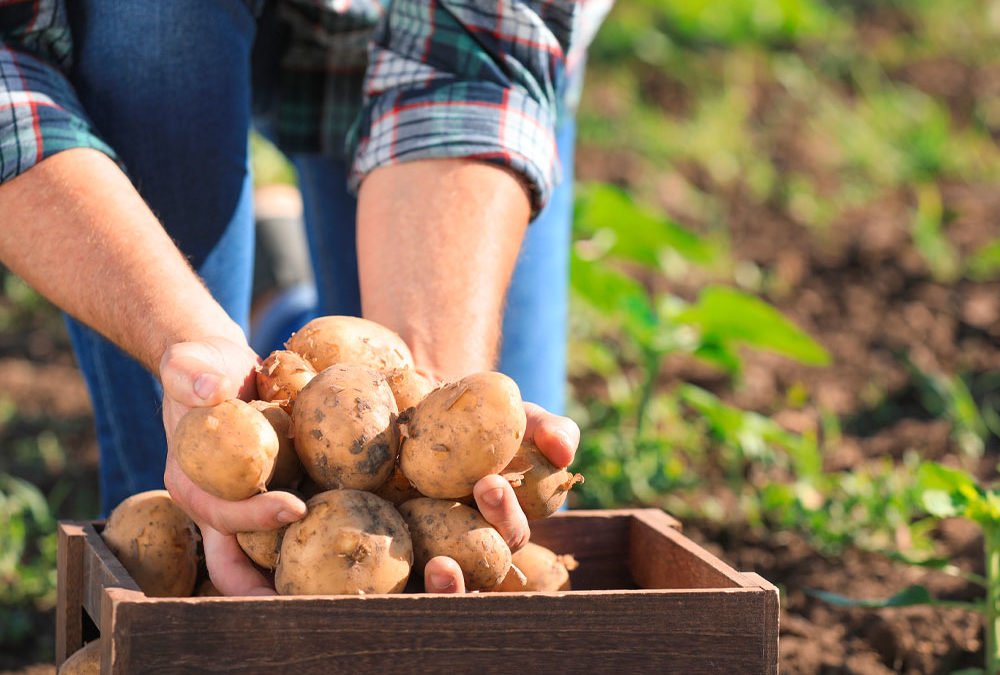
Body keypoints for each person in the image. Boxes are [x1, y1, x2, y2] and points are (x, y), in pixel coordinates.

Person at [0, 0, 610, 595]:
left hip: (435, 42)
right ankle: (264, 295)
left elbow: (478, 58)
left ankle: (279, 295)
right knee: (191, 524)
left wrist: (428, 377)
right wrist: (182, 341)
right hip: (171, 36)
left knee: (515, 495)